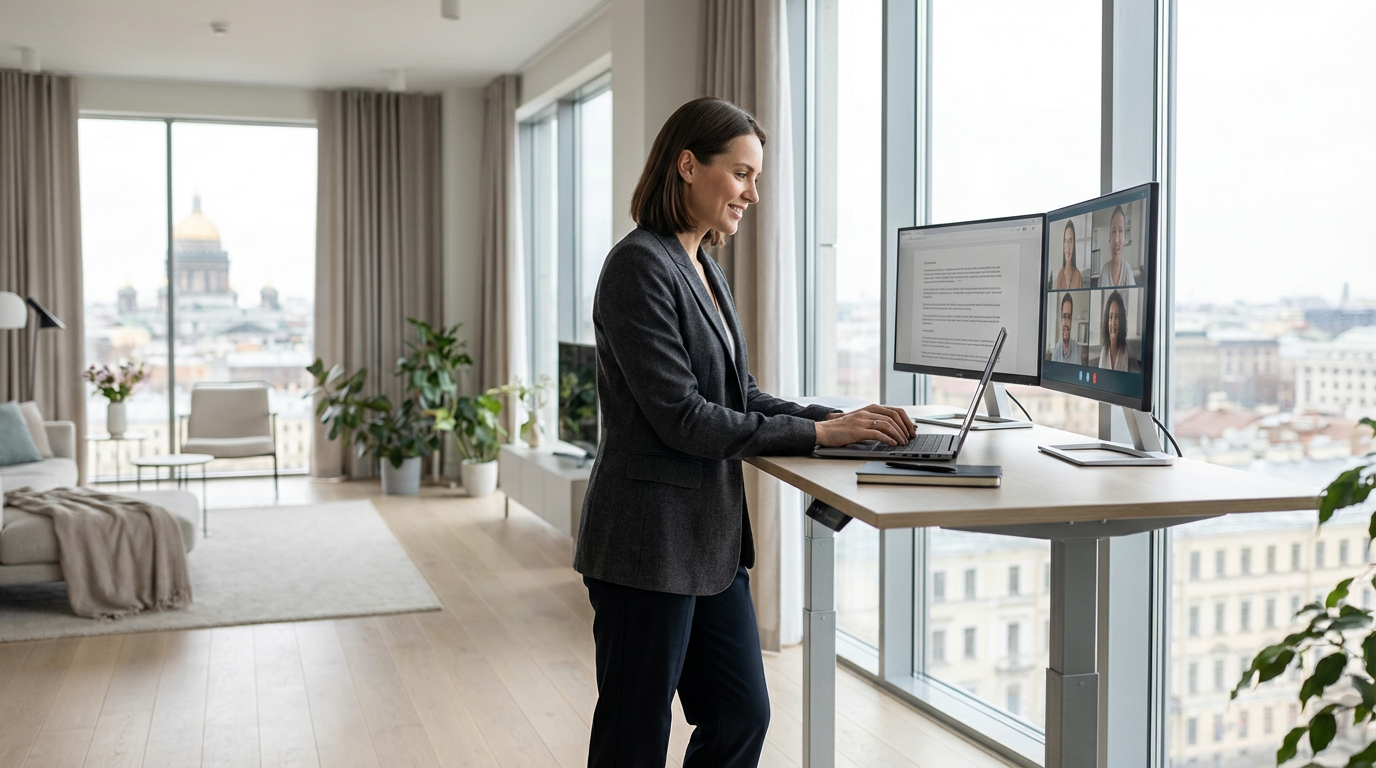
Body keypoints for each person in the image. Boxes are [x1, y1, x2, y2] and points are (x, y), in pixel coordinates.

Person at [574, 97, 914, 768]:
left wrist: (834, 421)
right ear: (687, 165)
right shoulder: (638, 266)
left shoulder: (705, 268)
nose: (753, 194)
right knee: (634, 736)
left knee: (741, 714)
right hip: (648, 542)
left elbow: (741, 397)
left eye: (756, 178)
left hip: (711, 541)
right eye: (741, 174)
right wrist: (818, 440)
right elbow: (683, 417)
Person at [1097, 290, 1137, 371]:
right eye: (1110, 317)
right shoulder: (1104, 351)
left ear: (1121, 321)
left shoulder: (1126, 352)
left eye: (1116, 317)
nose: (1113, 322)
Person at [1101, 205, 1135, 286]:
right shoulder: (1104, 271)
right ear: (1109, 237)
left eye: (1120, 231)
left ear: (1124, 237)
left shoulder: (1127, 270)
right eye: (1113, 232)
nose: (1116, 240)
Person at [1049, 293, 1081, 364]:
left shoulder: (1078, 349)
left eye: (1068, 317)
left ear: (1072, 320)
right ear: (1061, 319)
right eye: (1064, 317)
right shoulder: (1055, 351)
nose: (1066, 323)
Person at [1054, 220, 1082, 290]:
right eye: (1066, 241)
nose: (1068, 247)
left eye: (1070, 241)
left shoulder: (1078, 275)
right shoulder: (1059, 275)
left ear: (1074, 244)